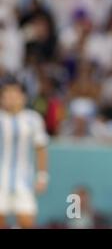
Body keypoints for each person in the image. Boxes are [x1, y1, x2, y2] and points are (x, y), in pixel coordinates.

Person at [0, 78, 49, 228]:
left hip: (24, 180)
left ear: (23, 96)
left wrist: (42, 175)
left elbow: (40, 148)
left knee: (27, 221)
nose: (11, 98)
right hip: (1, 180)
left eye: (15, 93)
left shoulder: (33, 119)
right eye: (7, 94)